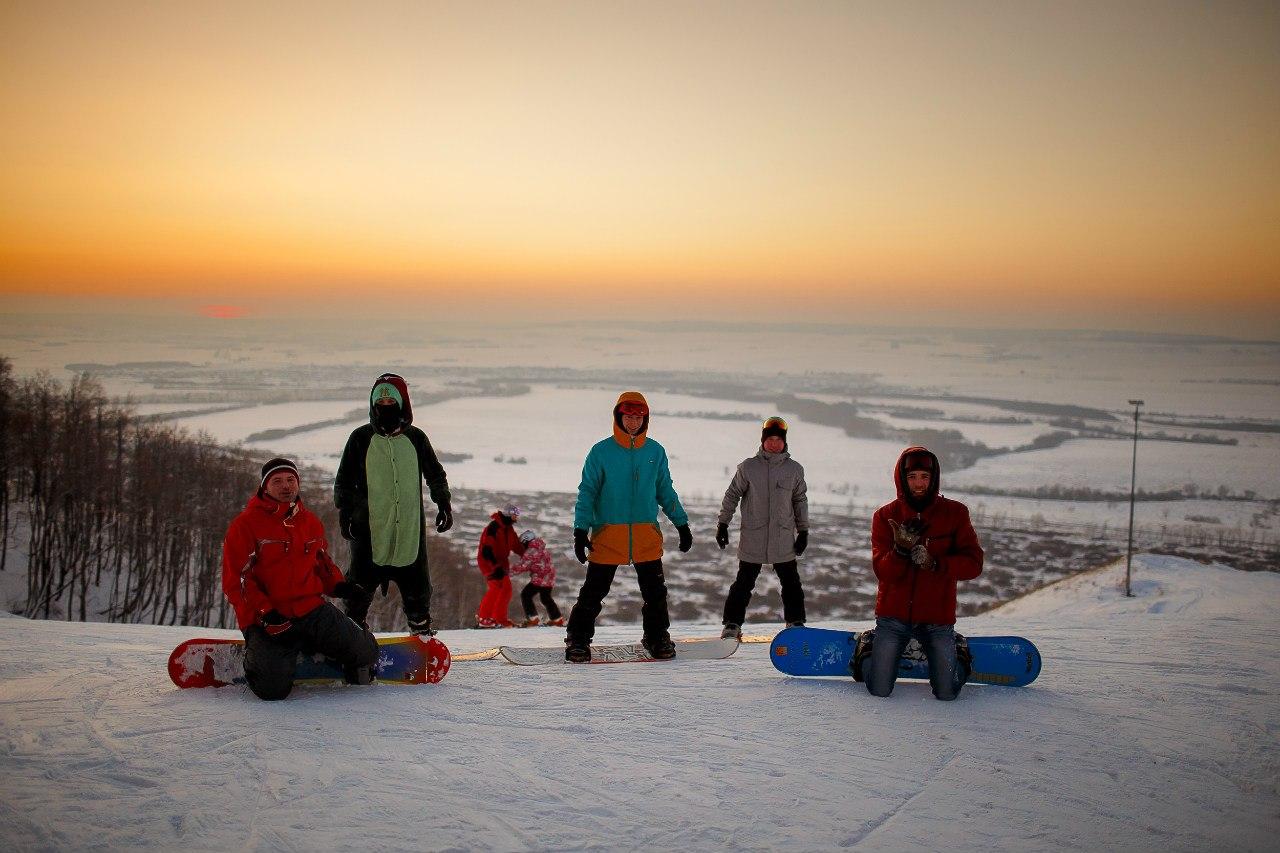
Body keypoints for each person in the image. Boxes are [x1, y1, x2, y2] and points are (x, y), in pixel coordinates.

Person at [222, 458, 378, 701]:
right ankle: (257, 657)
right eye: (277, 481)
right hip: (269, 618)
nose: (286, 486)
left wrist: (338, 586)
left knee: (366, 653)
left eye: (291, 480)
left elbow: (321, 562)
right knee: (272, 690)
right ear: (265, 487)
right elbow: (237, 580)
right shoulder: (246, 525)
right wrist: (266, 612)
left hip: (310, 608)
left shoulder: (309, 521)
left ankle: (317, 643)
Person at [565, 391, 692, 662]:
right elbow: (587, 491)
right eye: (628, 416)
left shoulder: (655, 451)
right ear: (618, 416)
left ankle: (657, 637)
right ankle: (577, 640)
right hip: (608, 533)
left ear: (645, 419)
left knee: (656, 593)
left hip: (646, 534)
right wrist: (580, 530)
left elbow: (665, 491)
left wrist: (681, 523)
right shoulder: (601, 452)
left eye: (638, 417)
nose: (633, 422)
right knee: (593, 592)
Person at [860, 446, 984, 701]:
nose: (918, 483)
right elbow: (883, 572)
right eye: (912, 477)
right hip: (893, 617)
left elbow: (974, 563)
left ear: (934, 478)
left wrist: (936, 563)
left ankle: (957, 650)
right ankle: (866, 649)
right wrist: (901, 551)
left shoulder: (955, 514)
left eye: (925, 477)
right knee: (879, 689)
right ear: (902, 479)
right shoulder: (885, 516)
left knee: (947, 692)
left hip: (937, 618)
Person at [334, 373, 453, 636]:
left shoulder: (416, 438)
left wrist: (443, 501)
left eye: (391, 398)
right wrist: (345, 512)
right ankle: (351, 636)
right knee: (358, 587)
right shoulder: (360, 438)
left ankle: (421, 634)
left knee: (418, 589)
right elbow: (343, 480)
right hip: (368, 530)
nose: (386, 403)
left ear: (403, 402)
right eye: (381, 399)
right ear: (372, 403)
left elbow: (435, 473)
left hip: (409, 531)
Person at [715, 416, 809, 639]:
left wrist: (803, 530)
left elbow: (800, 500)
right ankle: (731, 625)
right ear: (763, 441)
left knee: (791, 584)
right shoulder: (748, 467)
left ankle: (795, 624)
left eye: (778, 440)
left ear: (784, 442)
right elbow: (732, 495)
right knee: (743, 584)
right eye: (770, 439)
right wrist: (723, 523)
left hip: (782, 538)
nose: (774, 444)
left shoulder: (794, 469)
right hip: (753, 537)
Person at [474, 503, 527, 628]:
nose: (517, 517)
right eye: (515, 514)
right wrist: (494, 567)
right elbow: (486, 551)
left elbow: (517, 546)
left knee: (506, 589)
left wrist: (529, 554)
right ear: (509, 514)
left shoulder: (508, 529)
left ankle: (499, 619)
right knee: (496, 587)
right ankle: (484, 618)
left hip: (501, 563)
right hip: (488, 562)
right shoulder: (494, 527)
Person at [510, 530, 563, 627]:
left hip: (540, 578)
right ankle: (557, 619)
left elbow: (522, 566)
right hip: (550, 578)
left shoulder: (531, 551)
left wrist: (508, 573)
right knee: (546, 598)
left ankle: (533, 618)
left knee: (526, 595)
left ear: (526, 541)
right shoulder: (541, 547)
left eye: (522, 543)